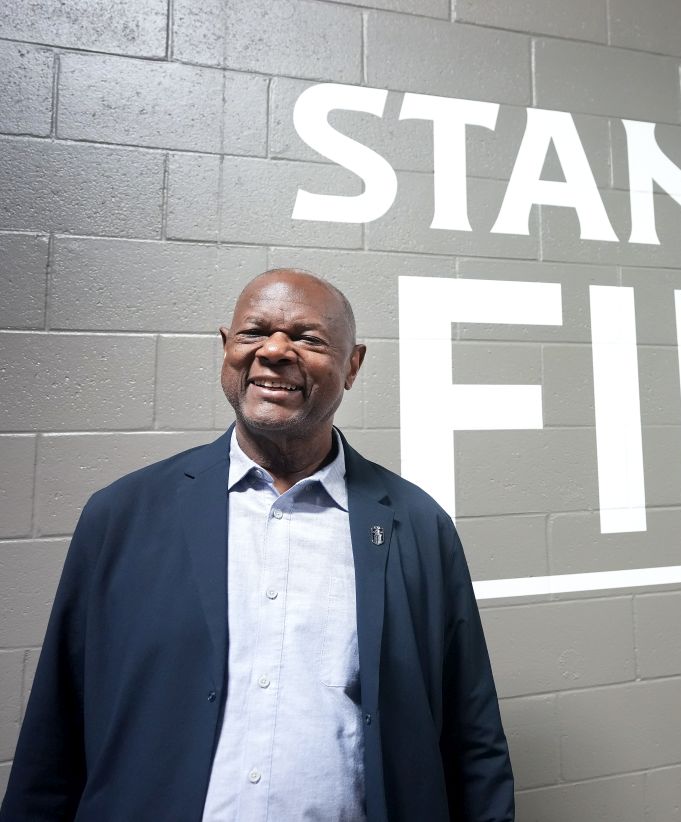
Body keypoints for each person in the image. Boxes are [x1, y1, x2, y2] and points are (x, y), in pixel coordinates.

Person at [0, 269, 514, 821]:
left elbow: (471, 734)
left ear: (353, 364)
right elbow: (54, 733)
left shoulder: (419, 525)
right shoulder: (121, 516)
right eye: (254, 333)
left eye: (307, 338)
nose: (274, 350)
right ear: (227, 349)